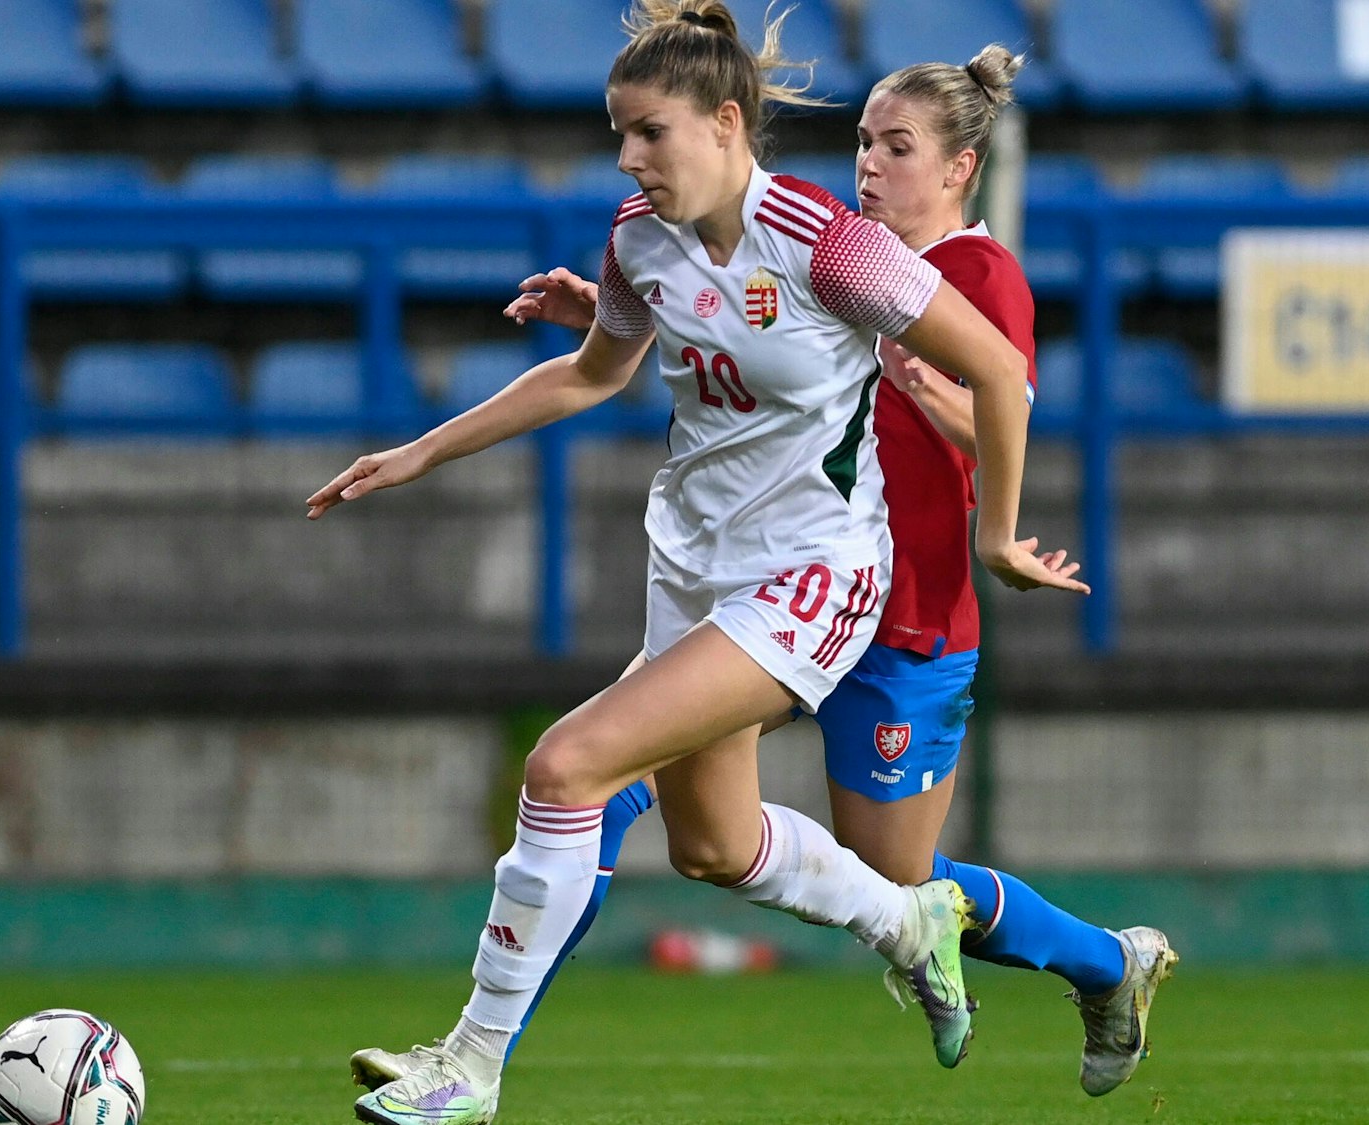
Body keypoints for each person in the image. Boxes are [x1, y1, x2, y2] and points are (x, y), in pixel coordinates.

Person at [356, 43, 1178, 1102]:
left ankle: (1104, 963)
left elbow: (1001, 398)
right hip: (733, 586)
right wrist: (457, 425)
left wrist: (986, 517)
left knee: (625, 788)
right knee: (664, 824)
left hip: (890, 609)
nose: (870, 166)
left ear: (959, 167)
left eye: (897, 148)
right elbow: (667, 337)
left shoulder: (924, 269)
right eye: (862, 143)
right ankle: (478, 1057)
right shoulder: (723, 245)